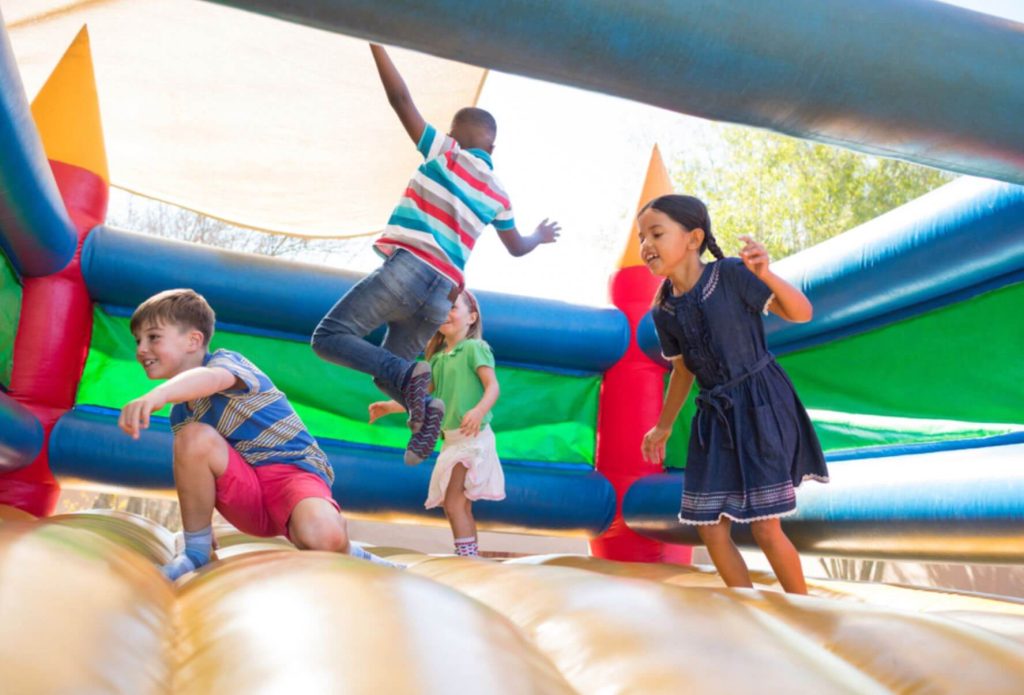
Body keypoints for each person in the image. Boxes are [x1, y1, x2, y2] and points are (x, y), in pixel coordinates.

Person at [312, 43, 559, 466]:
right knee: (389, 373)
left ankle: (411, 383)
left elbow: (400, 99)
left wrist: (375, 42)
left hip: (409, 270)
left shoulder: (446, 152)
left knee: (330, 337)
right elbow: (517, 247)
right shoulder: (499, 194)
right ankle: (427, 412)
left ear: (454, 135)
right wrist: (538, 235)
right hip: (443, 294)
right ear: (493, 149)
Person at [119, 288, 395, 580]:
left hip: (292, 475)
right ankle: (195, 552)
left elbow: (209, 380)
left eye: (153, 337)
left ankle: (350, 551)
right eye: (138, 340)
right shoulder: (182, 415)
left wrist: (158, 395)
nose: (141, 349)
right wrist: (201, 526)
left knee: (323, 537)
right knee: (193, 437)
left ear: (193, 340)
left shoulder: (227, 364)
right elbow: (197, 475)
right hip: (247, 496)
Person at [638, 195, 828, 594]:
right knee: (710, 528)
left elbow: (802, 313)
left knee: (765, 527)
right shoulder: (664, 310)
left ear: (693, 239)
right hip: (716, 417)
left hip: (760, 403)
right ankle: (746, 608)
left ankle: (806, 611)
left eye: (656, 233)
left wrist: (767, 274)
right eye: (642, 238)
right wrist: (663, 426)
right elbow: (683, 370)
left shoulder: (730, 275)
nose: (646, 245)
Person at [368, 290, 504, 557]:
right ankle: (470, 554)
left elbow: (493, 387)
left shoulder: (474, 348)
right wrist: (388, 406)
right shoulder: (438, 358)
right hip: (452, 441)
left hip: (473, 438)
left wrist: (478, 411)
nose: (446, 313)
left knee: (454, 502)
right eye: (443, 309)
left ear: (471, 317)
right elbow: (423, 398)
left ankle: (467, 557)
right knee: (457, 504)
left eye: (453, 308)